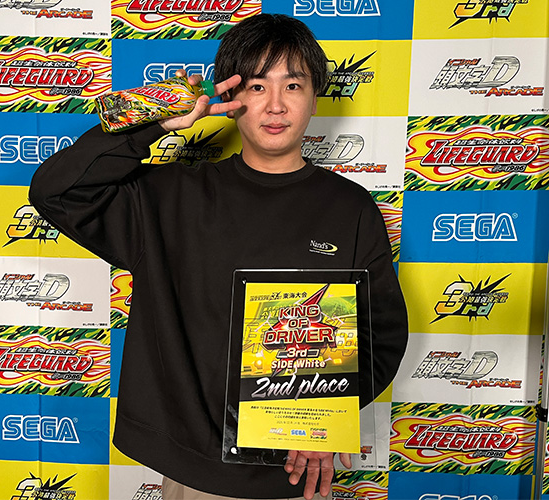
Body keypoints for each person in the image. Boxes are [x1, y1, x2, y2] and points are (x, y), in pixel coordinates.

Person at [29, 13, 408, 500]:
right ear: (230, 99)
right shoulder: (171, 196)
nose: (275, 104)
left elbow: (382, 333)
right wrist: (153, 121)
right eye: (256, 86)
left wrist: (328, 416)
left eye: (293, 85)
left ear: (315, 98)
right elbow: (57, 191)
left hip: (297, 469)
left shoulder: (350, 207)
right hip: (195, 470)